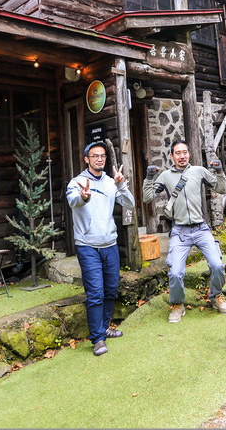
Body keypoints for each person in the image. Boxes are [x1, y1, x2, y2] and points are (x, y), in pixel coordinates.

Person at [143, 139, 226, 322]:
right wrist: (149, 178)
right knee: (175, 272)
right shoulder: (166, 176)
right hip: (179, 232)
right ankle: (177, 304)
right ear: (172, 156)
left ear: (189, 153)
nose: (182, 156)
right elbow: (147, 197)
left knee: (217, 265)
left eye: (185, 152)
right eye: (178, 153)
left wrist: (220, 171)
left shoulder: (199, 171)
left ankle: (216, 297)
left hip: (201, 229)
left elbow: (222, 188)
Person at [66, 141, 134, 356]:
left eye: (102, 156)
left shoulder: (110, 182)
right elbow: (73, 202)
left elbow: (130, 203)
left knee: (111, 289)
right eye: (95, 156)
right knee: (95, 293)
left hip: (110, 245)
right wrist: (83, 197)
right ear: (86, 159)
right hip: (88, 246)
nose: (99, 159)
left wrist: (121, 185)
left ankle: (104, 328)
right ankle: (97, 339)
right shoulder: (76, 182)